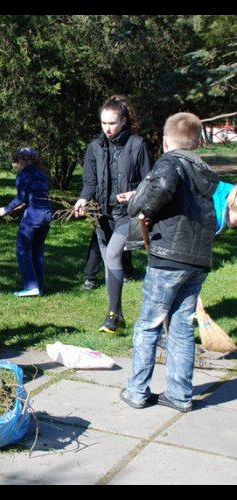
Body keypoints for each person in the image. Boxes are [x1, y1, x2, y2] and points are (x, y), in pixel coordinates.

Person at [120, 112, 219, 413]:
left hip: (168, 257)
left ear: (165, 141)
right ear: (198, 141)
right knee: (179, 328)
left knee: (148, 325)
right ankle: (179, 394)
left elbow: (162, 185)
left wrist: (142, 208)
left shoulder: (170, 162)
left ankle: (137, 390)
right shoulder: (201, 170)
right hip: (197, 258)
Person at [74, 94, 152, 334]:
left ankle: (112, 315)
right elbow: (90, 182)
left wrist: (134, 193)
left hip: (126, 214)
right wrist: (83, 198)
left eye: (113, 123)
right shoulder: (94, 147)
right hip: (101, 214)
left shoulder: (137, 145)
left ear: (124, 121)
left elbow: (150, 181)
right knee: (110, 264)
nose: (108, 128)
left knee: (116, 254)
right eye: (104, 123)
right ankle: (117, 316)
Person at [0, 147, 53, 296]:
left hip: (34, 216)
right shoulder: (42, 174)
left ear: (20, 160)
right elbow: (34, 195)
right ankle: (40, 288)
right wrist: (20, 207)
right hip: (47, 214)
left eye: (18, 160)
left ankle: (31, 286)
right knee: (37, 250)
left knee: (23, 250)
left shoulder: (23, 175)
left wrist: (5, 209)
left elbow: (20, 197)